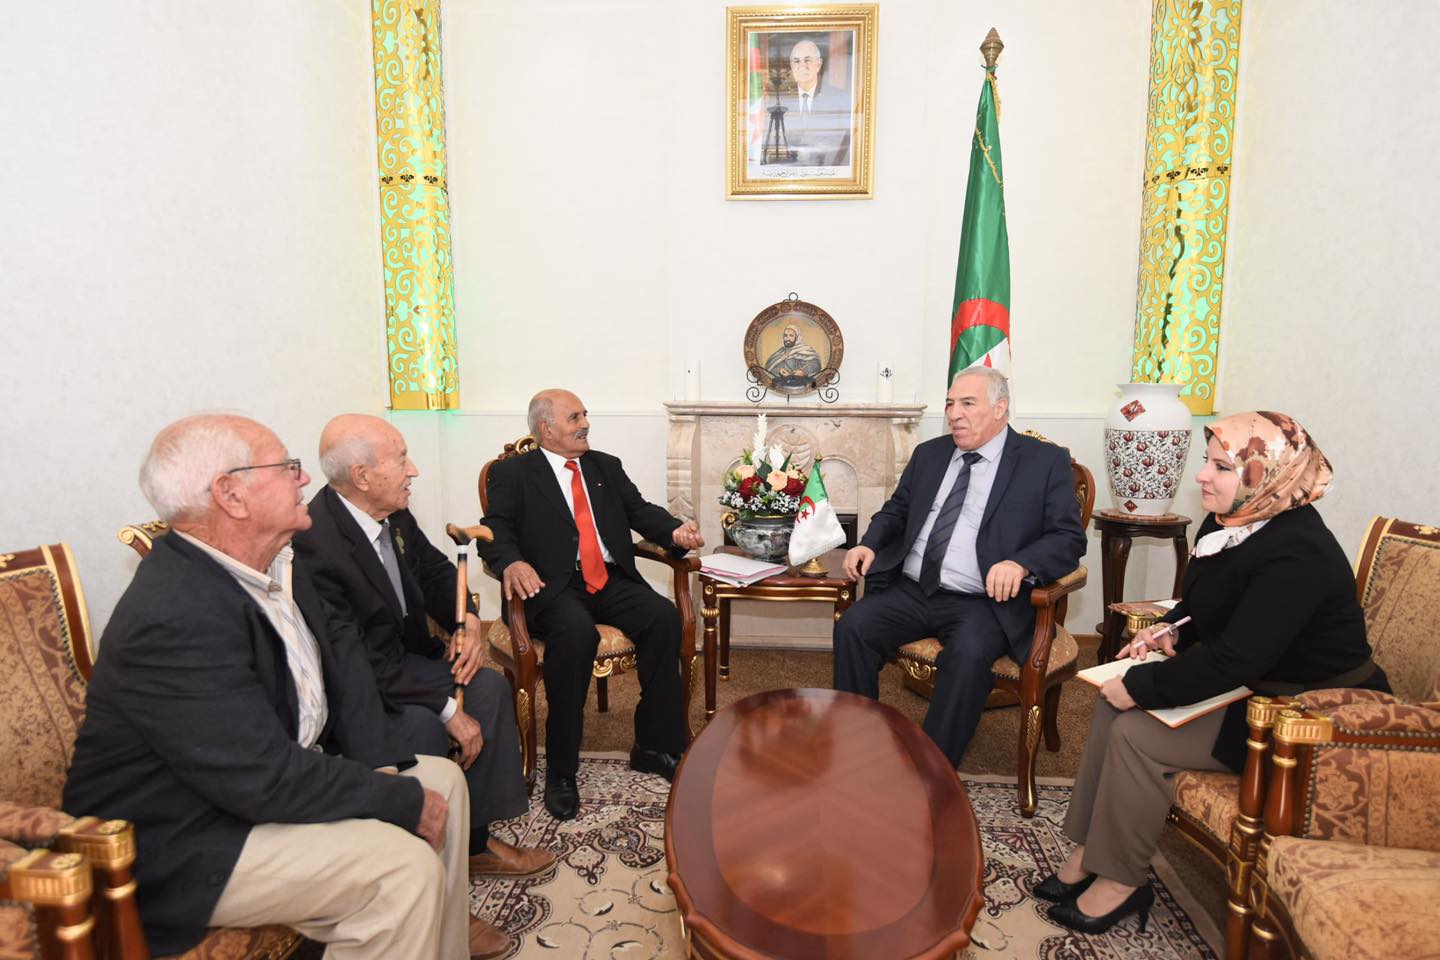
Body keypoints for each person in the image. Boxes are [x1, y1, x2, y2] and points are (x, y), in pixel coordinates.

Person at [62, 414, 499, 959]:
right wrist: (394, 799)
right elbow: (260, 776)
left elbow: (345, 661)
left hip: (250, 792)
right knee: (400, 870)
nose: (305, 478)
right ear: (231, 495)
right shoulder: (176, 612)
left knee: (444, 781)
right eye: (287, 468)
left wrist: (383, 769)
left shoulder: (268, 567)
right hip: (183, 838)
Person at [1041, 411, 1390, 935]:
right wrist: (1172, 630)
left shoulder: (1298, 552)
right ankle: (1091, 851)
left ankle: (1121, 880)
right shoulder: (1231, 521)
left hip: (1313, 714)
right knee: (1110, 707)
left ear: (1268, 474)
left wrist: (1141, 685)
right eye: (1208, 462)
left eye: (1222, 467)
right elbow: (1205, 605)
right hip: (1256, 687)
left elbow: (1236, 658)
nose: (1202, 476)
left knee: (1136, 731)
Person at [292, 416, 555, 900]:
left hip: (407, 657)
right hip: (362, 683)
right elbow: (352, 660)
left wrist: (467, 619)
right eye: (401, 460)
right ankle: (427, 870)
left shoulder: (392, 514)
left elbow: (436, 573)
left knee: (488, 688)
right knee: (424, 727)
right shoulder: (317, 544)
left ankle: (473, 842)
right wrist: (447, 708)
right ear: (362, 476)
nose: (413, 469)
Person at [832, 367, 1087, 765]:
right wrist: (868, 543)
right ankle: (857, 745)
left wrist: (1021, 563)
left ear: (1000, 408)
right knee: (854, 627)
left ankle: (932, 769)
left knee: (967, 657)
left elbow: (1069, 538)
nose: (954, 414)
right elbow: (896, 511)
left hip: (983, 601)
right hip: (914, 589)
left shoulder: (1043, 462)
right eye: (950, 404)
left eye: (968, 403)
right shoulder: (930, 454)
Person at [476, 389, 704, 821]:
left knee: (663, 619)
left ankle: (654, 746)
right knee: (576, 635)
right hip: (551, 585)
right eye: (574, 417)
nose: (585, 424)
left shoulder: (604, 466)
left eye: (585, 415)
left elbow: (640, 511)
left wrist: (674, 532)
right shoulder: (513, 474)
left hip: (608, 578)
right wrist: (512, 562)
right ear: (546, 429)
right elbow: (495, 530)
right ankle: (562, 771)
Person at [780, 38, 851, 166]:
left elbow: (842, 145)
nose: (802, 66)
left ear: (818, 64)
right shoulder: (780, 100)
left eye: (807, 60)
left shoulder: (839, 100)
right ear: (791, 65)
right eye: (796, 61)